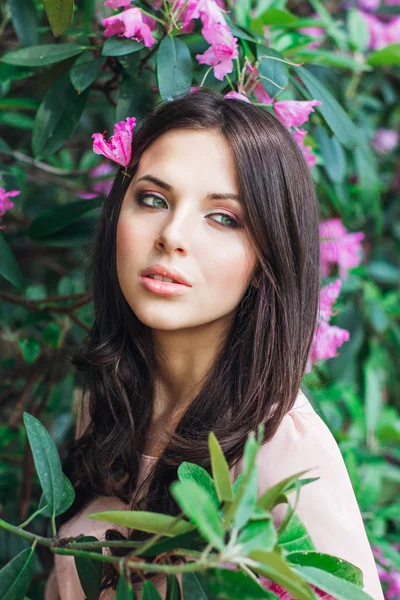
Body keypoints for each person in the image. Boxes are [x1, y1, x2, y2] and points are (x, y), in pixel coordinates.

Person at [44, 88, 384, 600]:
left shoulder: (284, 452)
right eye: (153, 199)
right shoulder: (111, 401)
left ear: (268, 256)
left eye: (224, 217)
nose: (172, 234)